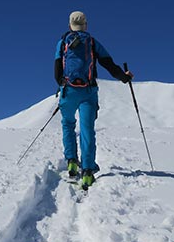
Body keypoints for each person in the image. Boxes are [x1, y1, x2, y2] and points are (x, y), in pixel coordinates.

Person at [54, 11, 132, 188]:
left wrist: (62, 85)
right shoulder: (92, 42)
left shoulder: (62, 43)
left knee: (68, 124)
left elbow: (57, 71)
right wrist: (124, 77)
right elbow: (109, 65)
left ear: (70, 26)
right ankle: (88, 171)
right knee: (87, 129)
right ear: (86, 25)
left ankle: (71, 162)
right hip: (88, 91)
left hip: (68, 91)